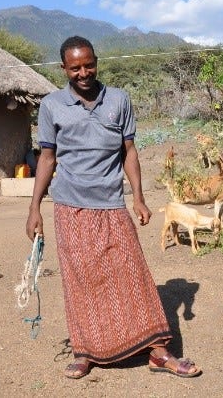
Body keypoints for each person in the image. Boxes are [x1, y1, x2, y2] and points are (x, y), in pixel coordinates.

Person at [25, 36, 201, 380]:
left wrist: (138, 197)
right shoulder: (52, 106)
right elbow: (47, 158)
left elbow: (129, 151)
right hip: (70, 207)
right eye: (75, 67)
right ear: (64, 69)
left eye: (88, 64)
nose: (83, 72)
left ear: (96, 61)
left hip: (111, 203)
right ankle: (85, 352)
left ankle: (158, 352)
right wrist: (34, 209)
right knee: (82, 279)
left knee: (132, 273)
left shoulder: (118, 100)